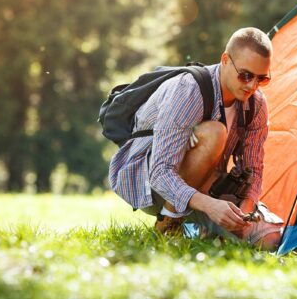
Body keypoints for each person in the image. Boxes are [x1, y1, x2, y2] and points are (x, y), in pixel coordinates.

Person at [109, 27, 282, 248]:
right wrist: (210, 205)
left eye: (262, 78)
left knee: (269, 240)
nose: (252, 85)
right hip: (151, 184)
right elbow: (160, 172)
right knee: (215, 133)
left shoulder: (256, 104)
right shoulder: (189, 90)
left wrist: (246, 210)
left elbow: (254, 169)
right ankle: (168, 225)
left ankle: (202, 230)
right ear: (225, 59)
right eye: (246, 75)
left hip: (208, 184)